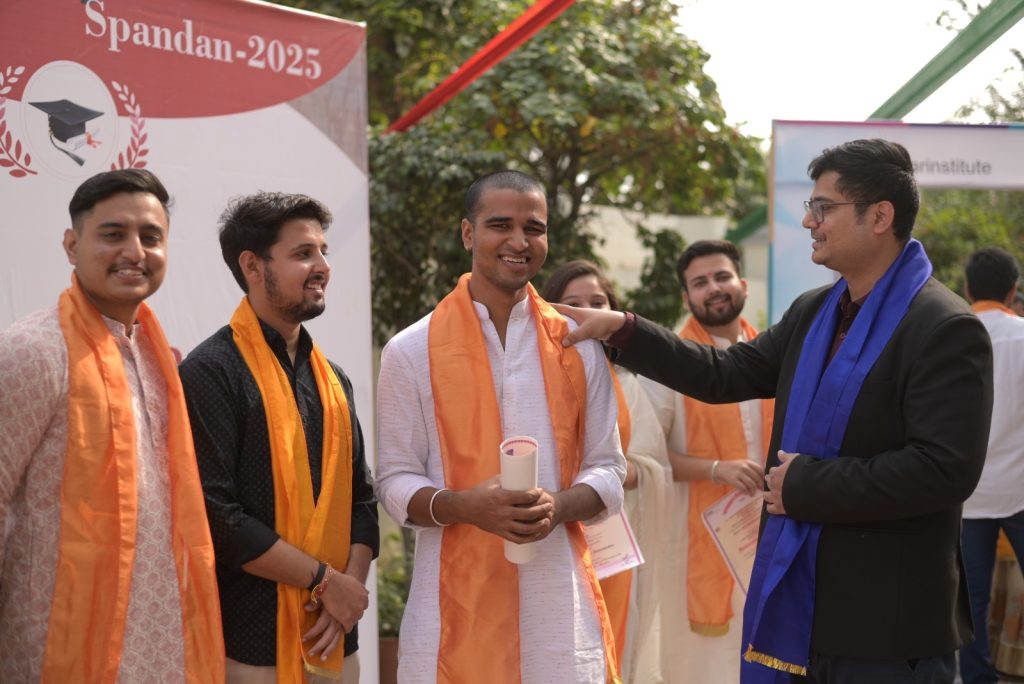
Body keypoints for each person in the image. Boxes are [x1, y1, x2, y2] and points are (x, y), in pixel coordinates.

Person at [556, 139, 993, 684]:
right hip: (801, 606)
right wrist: (623, 330)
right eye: (811, 207)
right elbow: (724, 373)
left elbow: (944, 470)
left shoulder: (944, 327)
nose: (809, 221)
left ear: (880, 216)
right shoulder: (815, 312)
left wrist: (805, 485)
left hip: (889, 624)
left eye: (824, 208)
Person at [375, 170, 626, 683]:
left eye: (533, 228)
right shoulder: (411, 349)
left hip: (559, 617)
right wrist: (465, 506)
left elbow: (609, 469)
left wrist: (557, 506)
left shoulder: (578, 346)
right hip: (448, 619)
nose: (519, 241)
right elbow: (395, 479)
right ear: (468, 233)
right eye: (500, 225)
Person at [0, 169, 224, 682]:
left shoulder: (159, 360)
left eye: (151, 237)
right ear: (71, 245)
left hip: (158, 648)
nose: (135, 251)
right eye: (113, 234)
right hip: (53, 648)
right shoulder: (33, 351)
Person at [179, 192, 378, 684]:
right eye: (303, 253)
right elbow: (219, 518)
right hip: (253, 649)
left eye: (323, 251)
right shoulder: (212, 372)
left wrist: (346, 593)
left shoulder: (333, 380)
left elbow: (363, 500)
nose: (323, 266)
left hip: (334, 640)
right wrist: (325, 582)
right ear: (252, 265)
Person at [636, 239, 773, 683]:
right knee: (703, 665)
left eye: (721, 277)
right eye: (700, 282)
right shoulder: (670, 362)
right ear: (686, 298)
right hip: (694, 539)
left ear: (742, 286)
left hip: (765, 532)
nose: (713, 288)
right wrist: (716, 469)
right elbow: (646, 459)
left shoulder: (769, 355)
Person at [542, 259, 674, 683]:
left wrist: (609, 474)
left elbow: (653, 464)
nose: (587, 311)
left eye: (597, 302)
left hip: (614, 535)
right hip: (548, 532)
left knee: (614, 642)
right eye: (573, 302)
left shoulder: (628, 383)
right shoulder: (533, 380)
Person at [959, 247, 1024, 684]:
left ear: (967, 289)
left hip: (967, 496)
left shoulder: (949, 334)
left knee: (971, 602)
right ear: (1013, 290)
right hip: (1020, 490)